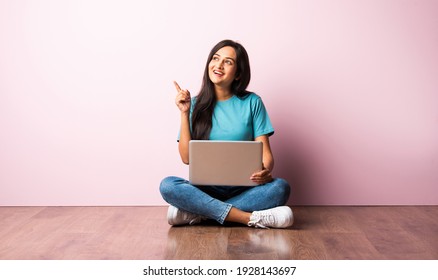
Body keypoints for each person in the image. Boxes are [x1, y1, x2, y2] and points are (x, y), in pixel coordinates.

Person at [160, 40, 293, 229]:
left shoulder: (252, 102)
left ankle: (198, 214)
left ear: (238, 73)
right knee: (167, 185)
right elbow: (186, 158)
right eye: (215, 58)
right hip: (205, 189)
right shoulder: (194, 104)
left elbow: (266, 156)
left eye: (228, 62)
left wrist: (266, 171)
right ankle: (247, 218)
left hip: (245, 187)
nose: (219, 65)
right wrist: (183, 112)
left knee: (280, 187)